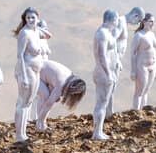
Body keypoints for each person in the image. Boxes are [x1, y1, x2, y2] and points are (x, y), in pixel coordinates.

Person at [13, 7, 47, 143]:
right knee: (23, 102)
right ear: (24, 19)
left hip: (36, 70)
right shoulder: (25, 33)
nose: (30, 20)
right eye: (28, 18)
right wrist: (24, 77)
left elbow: (48, 35)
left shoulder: (35, 31)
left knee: (29, 102)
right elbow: (20, 55)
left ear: (38, 18)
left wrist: (38, 27)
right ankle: (19, 135)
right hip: (27, 70)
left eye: (33, 17)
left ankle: (24, 133)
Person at [33, 60, 87, 131]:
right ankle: (39, 122)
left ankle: (41, 122)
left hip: (40, 70)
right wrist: (40, 119)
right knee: (46, 97)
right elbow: (49, 103)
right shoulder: (62, 83)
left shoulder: (70, 76)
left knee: (46, 97)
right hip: (34, 72)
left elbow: (52, 85)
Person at [92, 10, 119, 140]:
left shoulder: (107, 32)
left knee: (103, 103)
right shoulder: (102, 33)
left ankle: (99, 130)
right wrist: (108, 74)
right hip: (103, 72)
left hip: (107, 71)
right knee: (101, 104)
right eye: (117, 19)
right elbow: (102, 55)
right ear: (113, 19)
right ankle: (96, 132)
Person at [130, 12, 156, 108]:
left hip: (152, 65)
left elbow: (154, 51)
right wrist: (133, 71)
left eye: (153, 22)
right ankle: (136, 111)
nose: (152, 24)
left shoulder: (152, 34)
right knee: (139, 91)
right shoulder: (138, 35)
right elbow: (133, 53)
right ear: (144, 22)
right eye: (150, 21)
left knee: (146, 90)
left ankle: (143, 110)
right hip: (142, 66)